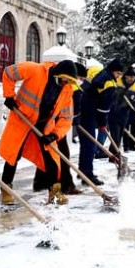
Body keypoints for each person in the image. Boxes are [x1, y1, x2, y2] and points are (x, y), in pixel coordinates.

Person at [0, 60, 77, 206]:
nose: (67, 82)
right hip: (23, 119)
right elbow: (9, 72)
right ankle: (6, 188)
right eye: (66, 79)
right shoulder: (35, 70)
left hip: (45, 125)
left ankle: (54, 192)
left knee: (52, 159)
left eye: (70, 80)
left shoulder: (66, 90)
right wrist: (9, 95)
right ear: (58, 74)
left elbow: (66, 117)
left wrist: (55, 134)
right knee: (13, 156)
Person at [33, 62, 87, 195]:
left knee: (55, 154)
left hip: (57, 126)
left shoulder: (69, 87)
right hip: (48, 123)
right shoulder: (63, 85)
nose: (80, 81)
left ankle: (44, 184)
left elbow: (69, 110)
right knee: (56, 155)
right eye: (80, 78)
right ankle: (61, 188)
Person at [78, 58, 124, 186]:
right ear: (112, 71)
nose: (119, 76)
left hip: (85, 110)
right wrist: (102, 122)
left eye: (120, 74)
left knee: (87, 144)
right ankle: (87, 174)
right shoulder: (109, 82)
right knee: (90, 145)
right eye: (118, 73)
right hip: (89, 113)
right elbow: (104, 107)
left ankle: (83, 171)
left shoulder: (102, 75)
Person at [107, 67, 135, 156]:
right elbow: (109, 94)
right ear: (125, 76)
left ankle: (112, 154)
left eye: (133, 77)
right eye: (129, 77)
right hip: (113, 112)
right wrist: (118, 94)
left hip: (125, 114)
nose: (131, 79)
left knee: (119, 135)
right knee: (115, 135)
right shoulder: (117, 81)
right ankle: (115, 154)